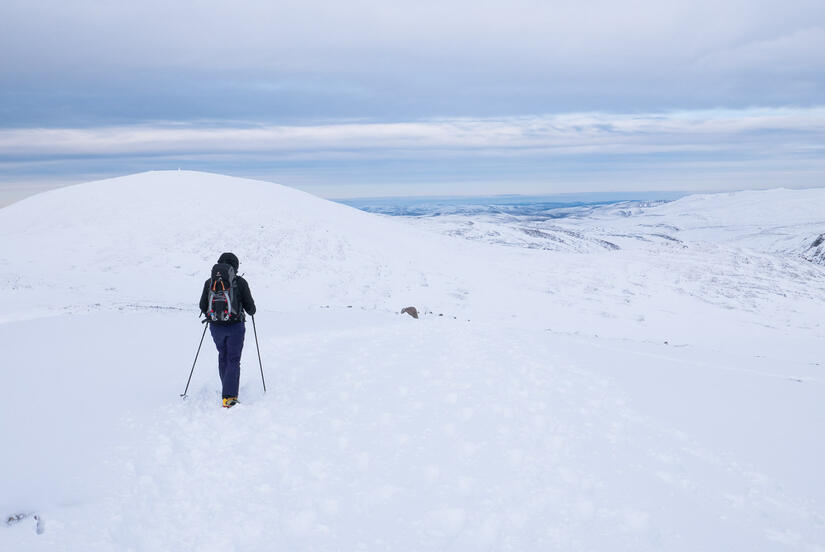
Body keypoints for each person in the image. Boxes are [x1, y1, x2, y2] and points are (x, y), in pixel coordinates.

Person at [199, 252, 256, 407]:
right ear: (235, 266)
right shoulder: (240, 282)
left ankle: (227, 389)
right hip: (235, 326)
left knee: (223, 355)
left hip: (216, 327)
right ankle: (229, 397)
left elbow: (202, 306)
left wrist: (213, 315)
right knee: (233, 359)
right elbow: (250, 308)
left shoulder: (209, 282)